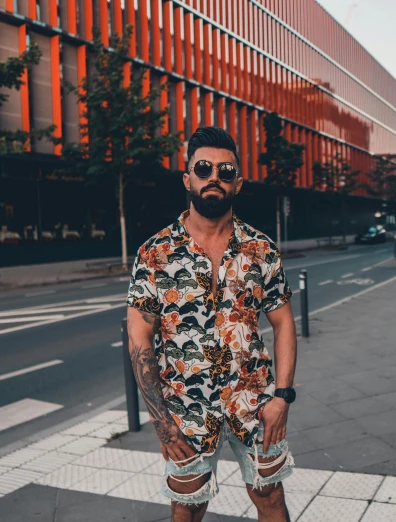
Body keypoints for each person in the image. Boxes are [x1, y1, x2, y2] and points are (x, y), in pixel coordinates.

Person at [126, 127, 297, 522]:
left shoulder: (261, 249)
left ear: (238, 182)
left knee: (270, 497)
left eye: (225, 170)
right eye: (203, 168)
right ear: (188, 179)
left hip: (254, 402)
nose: (214, 177)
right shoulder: (155, 254)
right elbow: (139, 339)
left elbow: (284, 323)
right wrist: (163, 423)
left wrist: (282, 397)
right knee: (187, 509)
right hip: (185, 409)